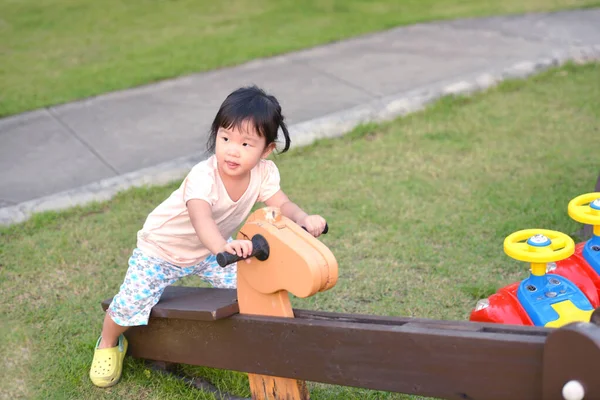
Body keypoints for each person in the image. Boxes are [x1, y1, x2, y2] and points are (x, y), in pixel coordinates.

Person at [89, 85, 327, 388]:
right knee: (130, 302)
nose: (232, 150)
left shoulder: (264, 173)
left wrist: (304, 218)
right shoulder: (204, 176)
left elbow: (281, 204)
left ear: (267, 149)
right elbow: (202, 222)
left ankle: (250, 346)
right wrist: (224, 247)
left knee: (249, 289)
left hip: (209, 253)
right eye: (225, 138)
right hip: (163, 250)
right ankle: (108, 343)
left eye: (245, 144)